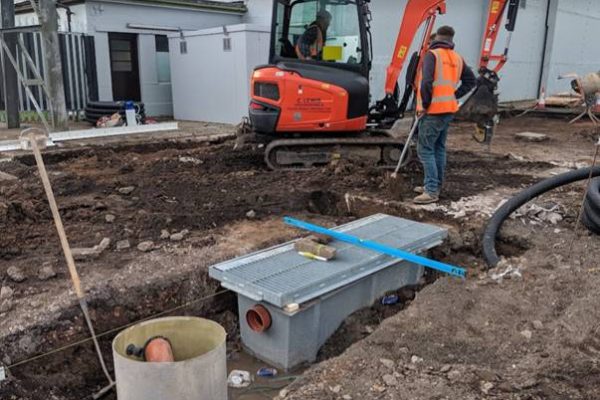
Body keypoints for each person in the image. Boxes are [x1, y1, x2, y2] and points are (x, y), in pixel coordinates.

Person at [413, 26, 476, 204]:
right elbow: (471, 81)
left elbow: (426, 82)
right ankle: (434, 185)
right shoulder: (457, 58)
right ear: (450, 40)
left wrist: (425, 104)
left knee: (425, 149)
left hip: (433, 111)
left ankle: (431, 190)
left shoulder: (432, 55)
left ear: (435, 39)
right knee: (438, 148)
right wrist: (452, 96)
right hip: (448, 109)